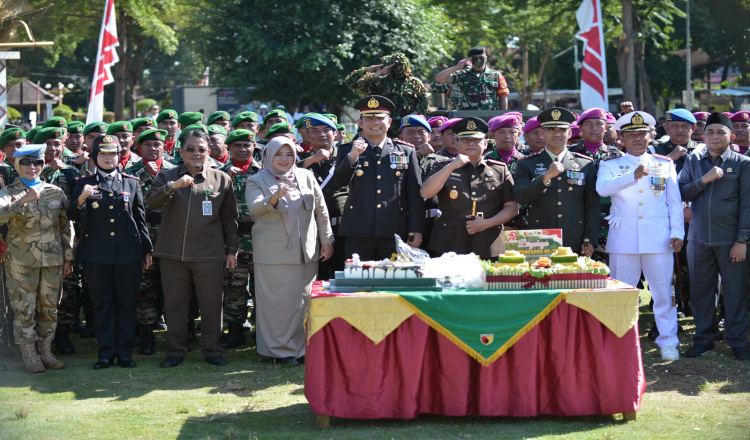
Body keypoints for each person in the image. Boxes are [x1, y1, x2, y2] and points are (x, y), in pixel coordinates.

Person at [146, 128, 239, 368]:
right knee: (175, 305)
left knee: (211, 305)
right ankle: (175, 351)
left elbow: (230, 219)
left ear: (209, 152)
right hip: (173, 253)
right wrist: (172, 186)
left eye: (201, 149)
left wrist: (232, 250)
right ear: (180, 151)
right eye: (190, 149)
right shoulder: (166, 175)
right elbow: (152, 202)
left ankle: (212, 350)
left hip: (209, 254)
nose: (196, 153)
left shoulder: (221, 179)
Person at [597, 111, 684, 361]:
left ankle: (668, 341)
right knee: (622, 293)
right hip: (623, 239)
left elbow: (674, 203)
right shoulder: (610, 164)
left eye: (641, 134)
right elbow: (602, 189)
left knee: (663, 294)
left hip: (659, 238)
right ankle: (621, 341)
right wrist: (631, 176)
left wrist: (677, 232)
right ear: (621, 138)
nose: (637, 138)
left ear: (650, 136)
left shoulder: (664, 163)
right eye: (631, 134)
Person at [246, 137, 334, 365]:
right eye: (278, 154)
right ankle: (279, 351)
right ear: (268, 156)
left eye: (289, 155)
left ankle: (301, 348)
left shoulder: (306, 176)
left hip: (305, 251)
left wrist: (326, 240)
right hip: (273, 253)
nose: (284, 159)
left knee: (303, 302)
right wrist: (275, 196)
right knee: (277, 304)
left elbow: (321, 210)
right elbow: (255, 208)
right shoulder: (257, 180)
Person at [68, 135, 153, 369]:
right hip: (97, 254)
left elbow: (140, 218)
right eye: (103, 154)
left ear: (118, 156)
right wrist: (82, 197)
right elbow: (71, 215)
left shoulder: (131, 182)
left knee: (126, 304)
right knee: (102, 304)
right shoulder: (84, 182)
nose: (108, 158)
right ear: (95, 156)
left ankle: (125, 353)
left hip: (128, 253)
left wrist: (147, 248)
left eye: (112, 154)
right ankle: (105, 353)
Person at [678, 112, 750, 361]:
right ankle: (704, 340)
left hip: (731, 241)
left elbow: (747, 204)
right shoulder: (693, 161)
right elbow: (681, 191)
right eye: (710, 132)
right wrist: (703, 180)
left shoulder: (743, 163)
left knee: (735, 294)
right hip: (698, 240)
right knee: (701, 294)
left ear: (731, 136)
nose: (715, 136)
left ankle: (738, 341)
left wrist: (742, 241)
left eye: (721, 132)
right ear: (703, 136)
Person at [0, 144, 74, 373]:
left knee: (49, 306)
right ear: (17, 165)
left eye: (37, 162)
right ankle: (29, 354)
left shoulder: (55, 191)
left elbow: (66, 226)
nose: (32, 167)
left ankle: (45, 351)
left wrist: (68, 257)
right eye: (26, 162)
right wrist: (21, 201)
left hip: (52, 260)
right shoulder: (9, 191)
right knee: (24, 307)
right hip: (21, 262)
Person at [334, 95, 425, 260]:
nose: (375, 122)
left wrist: (416, 229)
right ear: (360, 123)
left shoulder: (406, 151)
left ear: (389, 122)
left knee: (394, 275)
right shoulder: (347, 150)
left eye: (379, 118)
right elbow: (339, 182)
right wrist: (352, 157)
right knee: (358, 275)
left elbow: (414, 193)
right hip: (358, 230)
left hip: (394, 230)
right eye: (369, 119)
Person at [421, 117, 518, 258]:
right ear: (457, 143)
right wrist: (451, 166)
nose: (471, 144)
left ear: (485, 143)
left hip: (488, 239)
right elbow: (426, 192)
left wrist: (487, 223)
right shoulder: (443, 166)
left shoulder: (499, 169)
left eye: (476, 140)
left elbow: (512, 207)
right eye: (465, 140)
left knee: (488, 272)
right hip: (450, 240)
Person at [513, 107, 600, 254]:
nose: (557, 134)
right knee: (541, 269)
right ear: (542, 133)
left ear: (570, 133)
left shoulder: (585, 164)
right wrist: (545, 177)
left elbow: (592, 206)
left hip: (575, 235)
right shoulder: (526, 163)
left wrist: (589, 240)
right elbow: (520, 197)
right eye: (551, 130)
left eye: (562, 130)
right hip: (540, 236)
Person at [125, 129, 176, 354]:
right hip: (142, 236)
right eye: (147, 144)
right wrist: (145, 174)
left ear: (164, 147)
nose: (153, 148)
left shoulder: (175, 170)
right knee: (143, 287)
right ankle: (146, 333)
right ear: (139, 147)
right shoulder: (130, 172)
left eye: (157, 144)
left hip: (171, 235)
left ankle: (180, 332)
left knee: (173, 286)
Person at [218, 129, 262, 348]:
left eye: (247, 145)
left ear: (254, 147)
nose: (243, 149)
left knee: (262, 288)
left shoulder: (264, 171)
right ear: (229, 148)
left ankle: (262, 331)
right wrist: (226, 180)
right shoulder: (219, 173)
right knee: (233, 287)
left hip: (260, 239)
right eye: (237, 145)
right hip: (232, 240)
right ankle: (235, 331)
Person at [297, 114, 348, 280]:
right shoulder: (300, 159)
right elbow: (285, 175)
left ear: (335, 133)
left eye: (326, 130)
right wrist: (311, 160)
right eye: (315, 131)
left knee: (344, 276)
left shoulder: (347, 157)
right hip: (312, 229)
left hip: (343, 228)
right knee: (314, 279)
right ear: (307, 135)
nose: (322, 134)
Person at [345, 53, 429, 119]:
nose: (399, 68)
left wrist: (414, 113)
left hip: (407, 125)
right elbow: (352, 82)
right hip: (385, 124)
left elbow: (424, 100)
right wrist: (369, 70)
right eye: (395, 65)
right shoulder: (381, 81)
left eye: (401, 65)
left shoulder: (414, 82)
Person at [434, 46, 510, 110]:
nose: (478, 61)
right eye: (475, 59)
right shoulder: (462, 74)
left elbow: (503, 97)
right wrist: (457, 67)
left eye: (481, 58)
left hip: (490, 116)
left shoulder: (496, 75)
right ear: (470, 60)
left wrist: (502, 116)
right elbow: (439, 78)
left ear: (486, 58)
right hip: (468, 116)